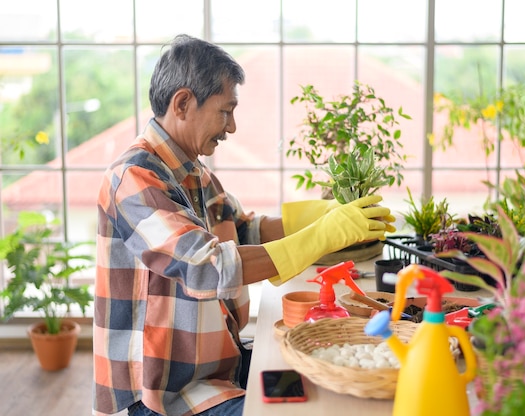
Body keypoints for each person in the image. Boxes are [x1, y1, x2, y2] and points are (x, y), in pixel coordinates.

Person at [93, 34, 395, 416]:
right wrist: (326, 233)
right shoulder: (134, 178)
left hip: (216, 368)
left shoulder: (193, 173)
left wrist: (327, 212)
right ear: (183, 103)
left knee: (321, 377)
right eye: (225, 110)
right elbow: (207, 267)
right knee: (302, 408)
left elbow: (245, 230)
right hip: (161, 395)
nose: (231, 127)